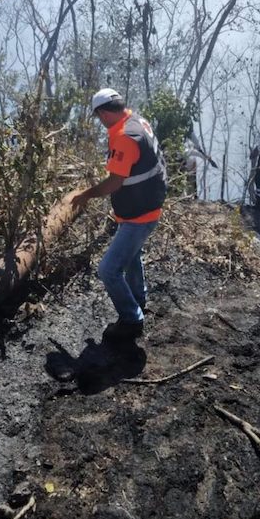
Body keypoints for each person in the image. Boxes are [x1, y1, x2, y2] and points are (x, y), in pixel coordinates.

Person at [72, 89, 167, 339]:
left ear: (104, 112)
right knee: (132, 256)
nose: (100, 121)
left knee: (108, 270)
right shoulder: (136, 120)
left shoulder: (125, 136)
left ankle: (131, 319)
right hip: (144, 207)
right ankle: (138, 297)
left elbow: (115, 182)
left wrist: (86, 194)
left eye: (99, 117)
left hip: (141, 215)